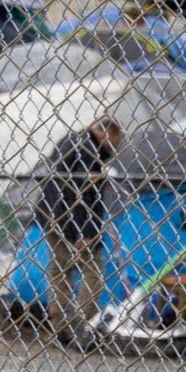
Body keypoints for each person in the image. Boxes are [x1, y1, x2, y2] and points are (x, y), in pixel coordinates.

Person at [37, 116, 123, 345]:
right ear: (106, 132)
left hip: (50, 215)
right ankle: (81, 323)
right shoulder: (89, 151)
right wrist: (85, 232)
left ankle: (59, 325)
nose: (115, 147)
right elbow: (81, 194)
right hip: (74, 220)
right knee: (93, 269)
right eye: (116, 140)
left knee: (59, 272)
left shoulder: (70, 140)